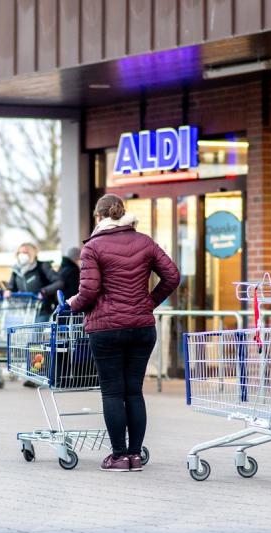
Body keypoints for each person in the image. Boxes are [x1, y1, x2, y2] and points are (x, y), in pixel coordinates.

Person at [68, 194, 179, 472]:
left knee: (113, 393)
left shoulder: (93, 247)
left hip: (107, 330)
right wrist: (148, 303)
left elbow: (89, 291)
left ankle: (118, 456)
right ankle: (135, 455)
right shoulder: (145, 242)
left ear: (98, 217)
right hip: (141, 327)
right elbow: (172, 276)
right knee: (134, 392)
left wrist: (72, 304)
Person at [6, 242, 64, 322]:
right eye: (20, 252)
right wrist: (8, 291)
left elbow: (59, 282)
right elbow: (11, 287)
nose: (22, 255)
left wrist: (44, 291)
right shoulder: (16, 270)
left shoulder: (42, 266)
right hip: (24, 311)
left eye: (25, 252)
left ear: (32, 253)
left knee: (35, 333)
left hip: (42, 310)